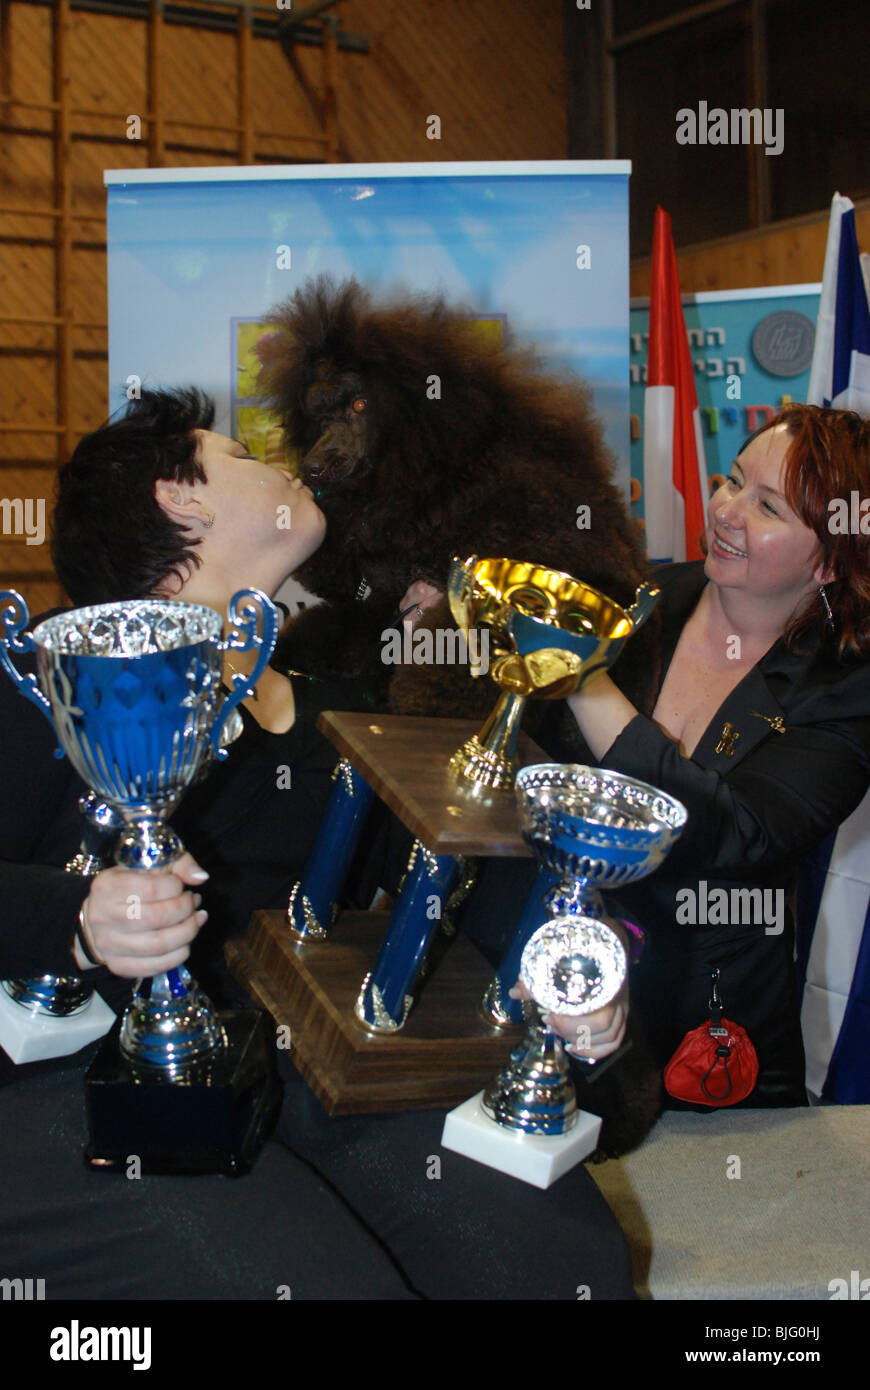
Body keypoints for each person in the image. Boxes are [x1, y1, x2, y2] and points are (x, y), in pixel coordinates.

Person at [0, 388, 637, 1301]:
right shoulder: (55, 686)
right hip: (63, 1082)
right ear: (180, 500)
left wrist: (565, 971)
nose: (286, 466)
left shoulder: (339, 713)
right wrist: (76, 922)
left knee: (558, 1262)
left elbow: (444, 886)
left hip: (296, 1061)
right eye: (244, 455)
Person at [555, 403, 870, 1107]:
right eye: (731, 482)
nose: (726, 510)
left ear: (828, 560)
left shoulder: (846, 689)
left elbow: (735, 832)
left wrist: (580, 675)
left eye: (768, 508)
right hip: (563, 998)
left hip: (713, 1043)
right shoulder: (647, 599)